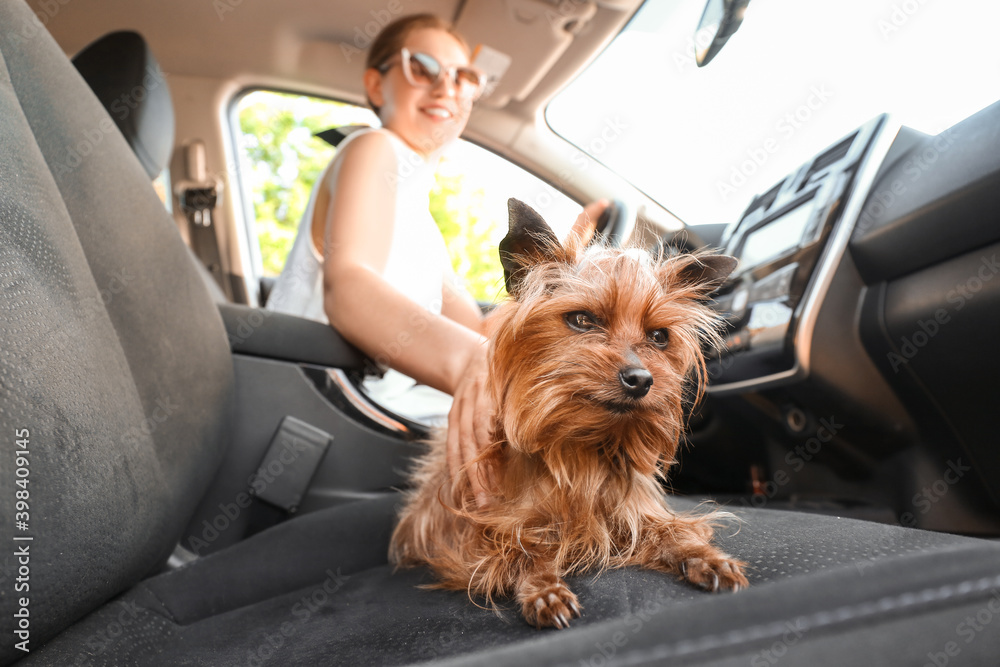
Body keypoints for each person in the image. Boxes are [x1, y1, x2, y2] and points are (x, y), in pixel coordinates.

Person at [266, 14, 606, 507]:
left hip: (370, 403)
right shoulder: (373, 147)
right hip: (332, 405)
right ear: (375, 83)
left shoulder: (418, 218)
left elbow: (478, 333)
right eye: (422, 67)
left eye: (463, 76)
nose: (446, 86)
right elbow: (350, 285)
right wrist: (468, 361)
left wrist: (557, 278)